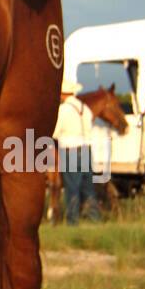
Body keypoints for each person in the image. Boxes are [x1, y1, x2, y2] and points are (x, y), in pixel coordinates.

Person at [54, 79, 101, 225]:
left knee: (72, 187)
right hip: (86, 150)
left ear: (62, 94)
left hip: (71, 150)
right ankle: (94, 219)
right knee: (88, 187)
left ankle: (72, 221)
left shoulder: (63, 110)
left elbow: (55, 132)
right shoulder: (85, 108)